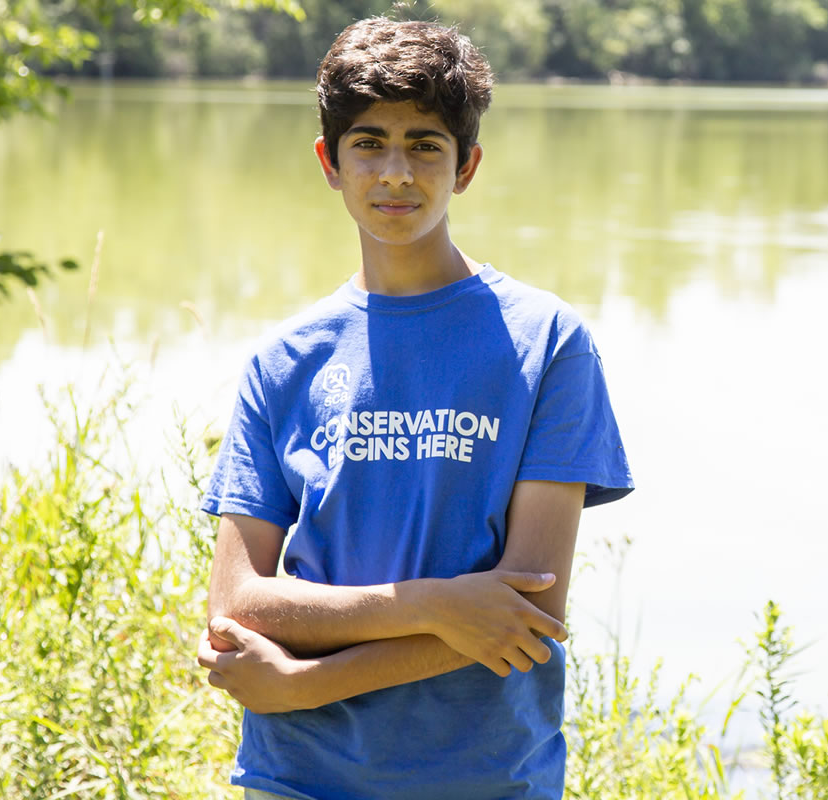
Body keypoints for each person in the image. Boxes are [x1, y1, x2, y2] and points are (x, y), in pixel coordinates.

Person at [194, 16, 633, 799]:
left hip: (486, 778)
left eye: (426, 145)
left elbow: (528, 611)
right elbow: (239, 602)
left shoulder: (546, 343)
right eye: (369, 143)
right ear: (330, 161)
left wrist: (303, 685)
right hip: (299, 778)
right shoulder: (284, 360)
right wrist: (437, 603)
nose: (396, 171)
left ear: (466, 166)